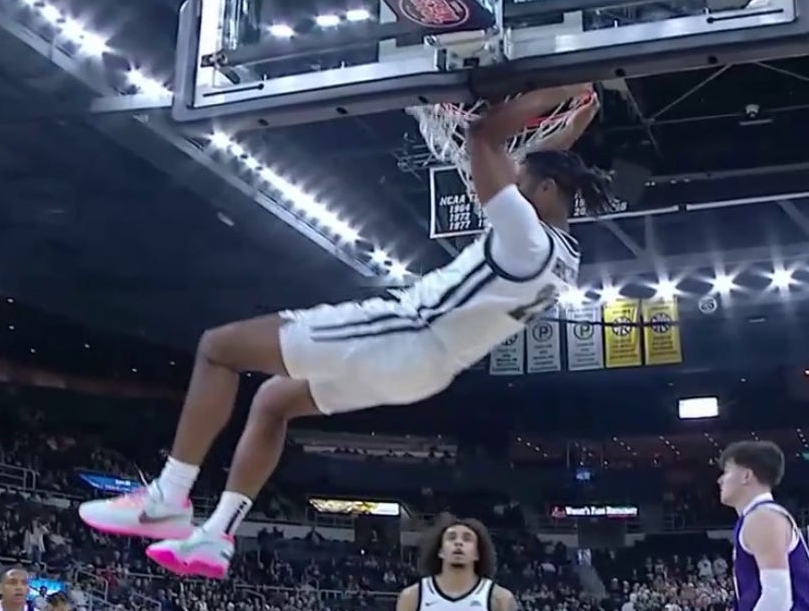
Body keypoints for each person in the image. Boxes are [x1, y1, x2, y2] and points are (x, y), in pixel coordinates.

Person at [78, 85, 615, 578]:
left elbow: (484, 134)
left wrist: (562, 86)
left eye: (523, 181)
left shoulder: (525, 234)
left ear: (544, 191)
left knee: (217, 349)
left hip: (402, 333)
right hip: (428, 372)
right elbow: (543, 168)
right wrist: (574, 123)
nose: (512, 183)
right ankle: (215, 535)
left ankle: (168, 497)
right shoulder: (563, 257)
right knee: (271, 403)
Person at [716, 440, 809, 611]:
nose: (720, 480)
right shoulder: (757, 516)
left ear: (746, 476)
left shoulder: (763, 518)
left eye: (727, 471)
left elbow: (777, 596)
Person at [396, 516, 518, 611]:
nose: (458, 542)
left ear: (477, 553)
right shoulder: (412, 597)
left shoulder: (500, 599)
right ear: (440, 551)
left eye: (467, 538)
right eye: (451, 537)